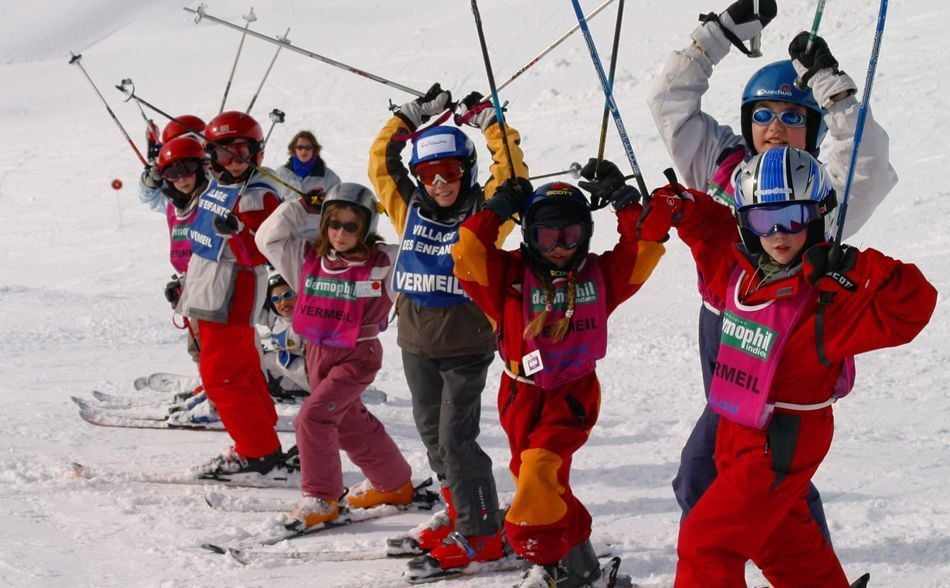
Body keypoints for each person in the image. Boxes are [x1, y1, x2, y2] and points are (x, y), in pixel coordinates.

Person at [646, 0, 898, 538]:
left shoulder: (823, 184)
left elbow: (868, 160)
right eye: (762, 115)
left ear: (812, 125)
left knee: (710, 470)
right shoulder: (719, 162)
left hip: (785, 341)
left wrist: (834, 90)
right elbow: (669, 101)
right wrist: (718, 34)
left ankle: (713, 562)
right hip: (721, 325)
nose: (775, 128)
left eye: (791, 116)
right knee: (764, 469)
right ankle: (797, 566)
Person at [644, 146, 936, 586]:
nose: (779, 233)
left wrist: (859, 268)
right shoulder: (742, 275)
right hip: (736, 431)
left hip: (782, 442)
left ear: (817, 217)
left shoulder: (826, 299)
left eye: (794, 218)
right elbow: (709, 230)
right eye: (764, 220)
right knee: (780, 542)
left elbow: (911, 308)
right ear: (746, 223)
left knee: (707, 543)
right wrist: (681, 206)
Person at [452, 173, 665, 586]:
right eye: (546, 237)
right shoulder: (506, 277)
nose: (560, 248)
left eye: (570, 235)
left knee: (538, 469)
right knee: (542, 480)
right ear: (530, 236)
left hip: (573, 393)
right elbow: (467, 249)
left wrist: (625, 205)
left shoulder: (600, 276)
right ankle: (582, 567)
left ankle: (544, 560)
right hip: (519, 392)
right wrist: (496, 210)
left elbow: (644, 248)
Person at [367, 84, 522, 577]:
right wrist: (412, 117)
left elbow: (512, 174)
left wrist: (490, 123)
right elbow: (380, 162)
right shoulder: (405, 207)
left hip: (465, 347)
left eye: (450, 173)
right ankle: (461, 513)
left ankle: (483, 538)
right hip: (415, 342)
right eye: (429, 174)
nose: (439, 184)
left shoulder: (485, 217)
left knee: (458, 439)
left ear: (466, 171)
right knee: (434, 438)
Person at [255, 182, 414, 530]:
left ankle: (322, 498)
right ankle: (394, 483)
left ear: (367, 227)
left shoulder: (383, 260)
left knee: (312, 418)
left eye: (351, 226)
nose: (341, 233)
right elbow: (267, 239)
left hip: (358, 353)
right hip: (318, 352)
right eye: (334, 224)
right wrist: (299, 206)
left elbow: (420, 248)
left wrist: (409, 205)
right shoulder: (307, 258)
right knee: (347, 422)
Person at [177, 110, 290, 480]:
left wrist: (239, 231)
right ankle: (262, 438)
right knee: (239, 368)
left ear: (257, 152)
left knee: (221, 374)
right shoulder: (217, 184)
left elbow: (262, 251)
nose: (233, 162)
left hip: (232, 286)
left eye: (240, 151)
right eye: (224, 154)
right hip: (208, 283)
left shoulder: (256, 195)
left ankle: (255, 451)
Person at [273, 130, 342, 239]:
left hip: (315, 236)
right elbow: (274, 202)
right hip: (287, 233)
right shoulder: (282, 173)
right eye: (299, 147)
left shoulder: (329, 177)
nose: (303, 151)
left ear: (314, 149)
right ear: (294, 149)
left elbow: (336, 209)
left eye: (308, 147)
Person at [139, 114, 207, 213]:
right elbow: (152, 199)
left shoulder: (217, 169)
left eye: (187, 169)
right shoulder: (175, 199)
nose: (182, 179)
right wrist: (148, 184)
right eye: (173, 174)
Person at [260, 272, 310, 403]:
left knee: (281, 359)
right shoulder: (275, 319)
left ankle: (316, 391)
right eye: (276, 299)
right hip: (294, 370)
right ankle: (291, 389)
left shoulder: (309, 319)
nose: (283, 302)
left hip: (316, 373)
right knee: (260, 357)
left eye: (288, 295)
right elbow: (253, 310)